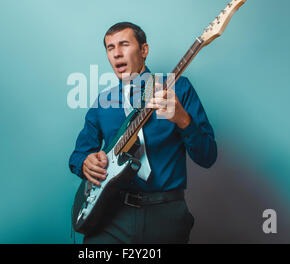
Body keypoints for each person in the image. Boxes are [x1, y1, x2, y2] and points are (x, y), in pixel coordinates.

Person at [69, 22, 217, 243]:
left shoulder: (178, 89)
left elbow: (208, 157)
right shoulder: (102, 103)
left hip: (165, 215)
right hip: (111, 216)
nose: (117, 53)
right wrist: (85, 162)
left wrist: (182, 119)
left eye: (124, 44)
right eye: (110, 48)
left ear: (144, 50)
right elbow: (77, 156)